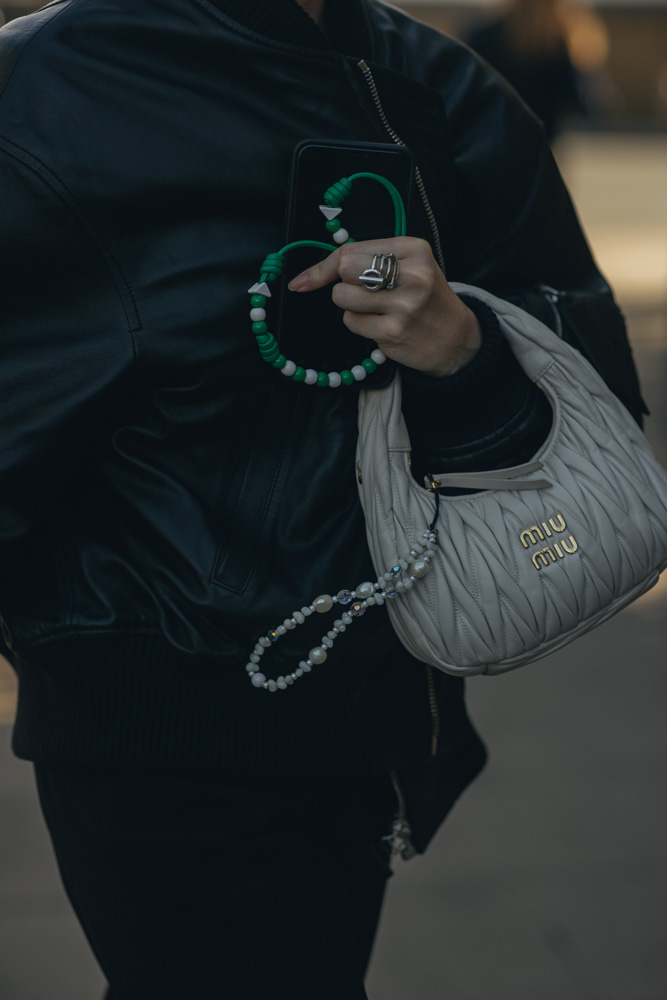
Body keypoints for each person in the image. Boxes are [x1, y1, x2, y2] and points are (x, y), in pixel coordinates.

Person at [0, 0, 646, 997]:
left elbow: (591, 387)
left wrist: (462, 356)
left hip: (382, 714)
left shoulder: (445, 86)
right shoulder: (44, 85)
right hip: (148, 726)